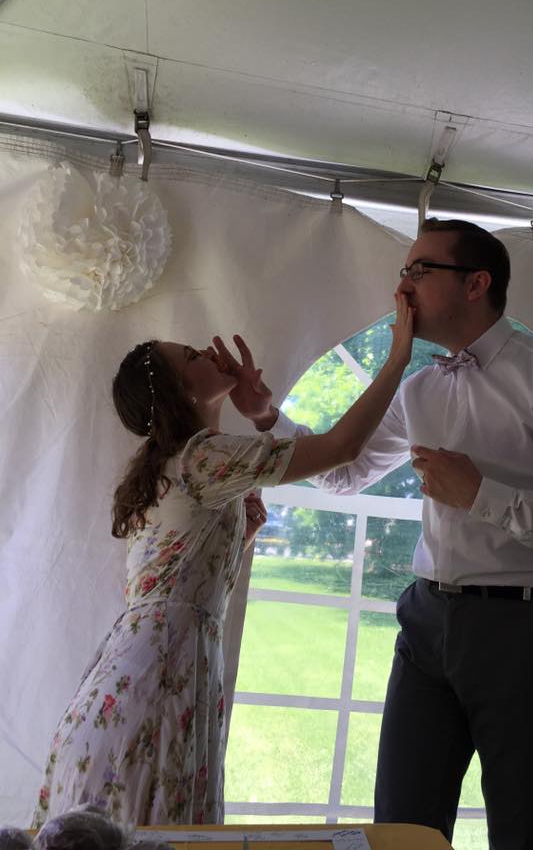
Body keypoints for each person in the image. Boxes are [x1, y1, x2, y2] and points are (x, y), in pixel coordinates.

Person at [229, 218, 533, 850]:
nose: (403, 285)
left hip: (525, 632)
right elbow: (346, 472)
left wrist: (482, 496)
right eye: (403, 270)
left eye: (420, 270)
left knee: (522, 833)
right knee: (399, 830)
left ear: (476, 283)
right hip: (426, 624)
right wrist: (265, 416)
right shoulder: (418, 388)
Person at [32, 294, 414, 827]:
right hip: (163, 668)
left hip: (146, 664)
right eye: (192, 356)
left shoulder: (175, 461)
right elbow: (343, 448)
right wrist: (398, 357)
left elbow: (176, 574)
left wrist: (240, 534)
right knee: (158, 822)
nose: (210, 354)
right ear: (180, 391)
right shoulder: (202, 456)